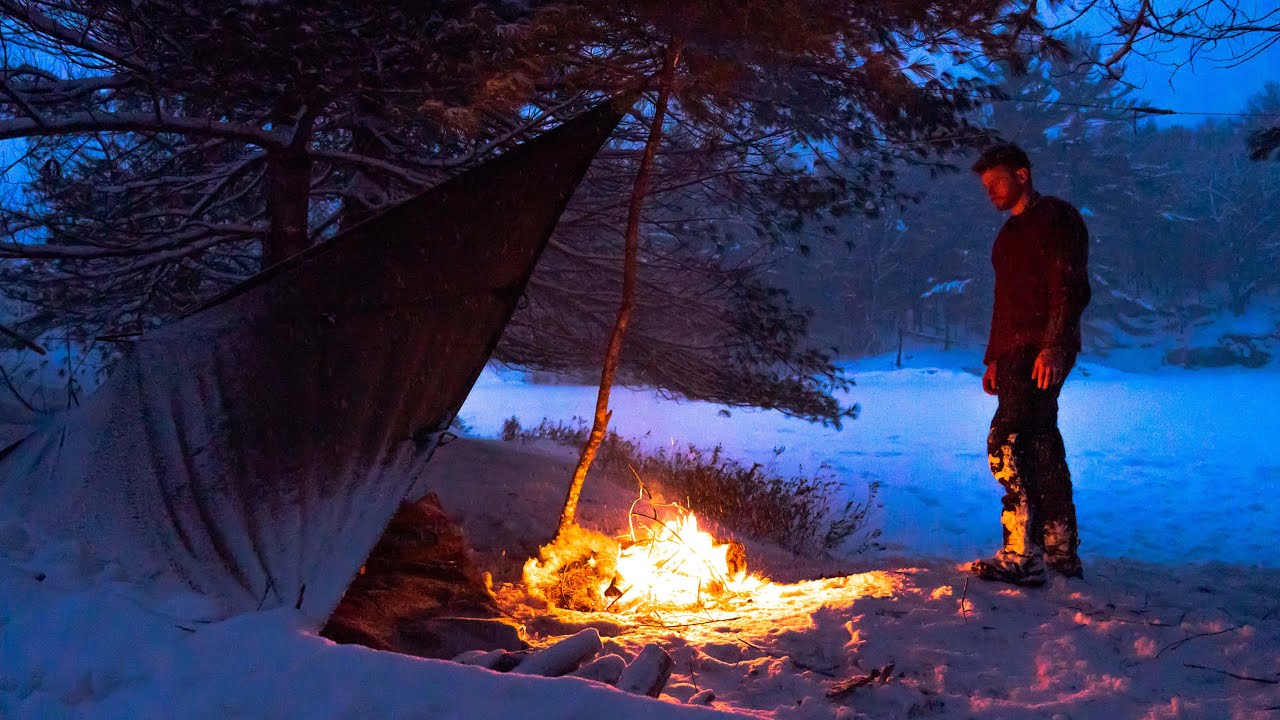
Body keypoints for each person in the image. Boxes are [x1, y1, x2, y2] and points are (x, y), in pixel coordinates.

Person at [968, 143, 1091, 586]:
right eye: (985, 187)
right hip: (1015, 352)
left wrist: (1054, 345)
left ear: (1021, 174)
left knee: (1008, 439)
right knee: (1040, 439)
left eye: (996, 182)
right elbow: (1004, 304)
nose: (990, 193)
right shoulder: (1007, 236)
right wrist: (993, 360)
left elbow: (1069, 285)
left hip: (1042, 348)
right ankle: (1059, 548)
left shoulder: (1056, 218)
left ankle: (1021, 552)